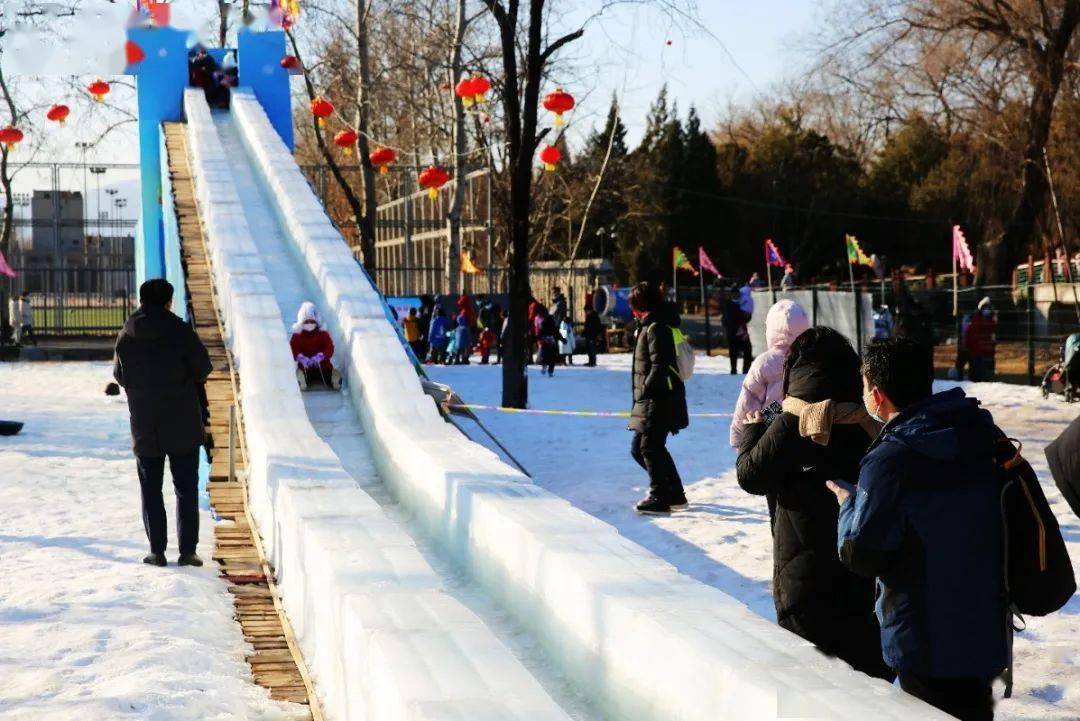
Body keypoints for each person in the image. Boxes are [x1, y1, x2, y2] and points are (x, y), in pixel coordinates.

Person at [829, 338, 1007, 720]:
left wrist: (848, 507)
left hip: (924, 637)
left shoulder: (890, 459)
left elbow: (862, 551)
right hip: (983, 622)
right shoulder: (975, 430)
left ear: (877, 395)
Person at [736, 327, 891, 681]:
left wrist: (752, 432)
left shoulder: (789, 420)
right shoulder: (869, 422)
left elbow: (749, 476)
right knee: (865, 687)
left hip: (802, 580)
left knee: (813, 690)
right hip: (862, 577)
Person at [113, 279, 212, 568]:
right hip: (182, 421)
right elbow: (202, 368)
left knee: (151, 489)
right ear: (169, 301)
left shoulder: (127, 334)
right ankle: (188, 552)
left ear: (141, 300)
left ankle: (157, 551)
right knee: (186, 488)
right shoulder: (181, 332)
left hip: (146, 426)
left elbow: (120, 376)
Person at [627, 281, 689, 515]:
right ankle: (674, 493)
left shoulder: (657, 327)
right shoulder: (648, 326)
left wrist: (646, 390)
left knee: (649, 446)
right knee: (643, 447)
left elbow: (660, 365)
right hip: (651, 400)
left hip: (659, 399)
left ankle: (660, 495)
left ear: (641, 304)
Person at [729, 299, 810, 448]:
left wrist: (739, 438)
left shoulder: (764, 363)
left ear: (771, 332)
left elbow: (748, 401)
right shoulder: (810, 360)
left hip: (768, 439)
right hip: (805, 437)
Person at [290, 302, 341, 390]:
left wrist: (321, 356)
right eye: (306, 321)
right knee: (302, 375)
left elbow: (329, 347)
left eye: (312, 321)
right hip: (306, 368)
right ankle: (301, 381)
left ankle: (334, 378)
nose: (309, 324)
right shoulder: (297, 336)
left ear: (316, 321)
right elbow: (293, 349)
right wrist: (300, 357)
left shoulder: (323, 334)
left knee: (328, 375)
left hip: (323, 366)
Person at [722, 285, 752, 375]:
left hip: (741, 331)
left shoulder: (741, 304)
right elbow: (729, 319)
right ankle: (734, 369)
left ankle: (745, 370)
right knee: (734, 352)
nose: (736, 296)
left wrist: (747, 315)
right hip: (734, 332)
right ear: (731, 295)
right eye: (734, 294)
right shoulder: (730, 305)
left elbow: (745, 319)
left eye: (737, 294)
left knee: (747, 350)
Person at [966, 297, 997, 382]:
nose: (987, 310)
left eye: (988, 308)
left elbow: (992, 335)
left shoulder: (991, 321)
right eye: (985, 308)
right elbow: (971, 337)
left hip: (988, 351)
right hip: (977, 352)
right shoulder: (975, 321)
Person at [536, 306, 562, 376]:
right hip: (552, 343)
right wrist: (562, 339)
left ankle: (544, 367)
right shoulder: (553, 324)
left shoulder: (543, 323)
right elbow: (557, 333)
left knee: (545, 356)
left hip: (545, 342)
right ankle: (550, 371)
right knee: (552, 358)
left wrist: (537, 338)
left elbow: (540, 333)